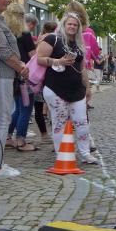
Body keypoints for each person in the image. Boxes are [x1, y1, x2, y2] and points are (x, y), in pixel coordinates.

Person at [35, 12, 96, 164]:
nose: (72, 27)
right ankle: (61, 154)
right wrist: (58, 61)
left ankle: (85, 153)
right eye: (69, 24)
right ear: (64, 24)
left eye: (75, 25)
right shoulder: (53, 39)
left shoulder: (79, 44)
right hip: (55, 88)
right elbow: (39, 59)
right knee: (59, 123)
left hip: (77, 90)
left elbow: (82, 68)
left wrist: (87, 88)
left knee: (82, 122)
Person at [0, 0, 28, 178]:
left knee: (2, 117)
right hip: (1, 75)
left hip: (5, 74)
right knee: (3, 119)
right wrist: (21, 67)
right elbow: (3, 51)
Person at [5, 4, 37, 152]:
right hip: (24, 74)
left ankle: (7, 137)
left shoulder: (5, 32)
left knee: (17, 108)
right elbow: (33, 56)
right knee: (25, 108)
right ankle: (21, 140)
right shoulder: (24, 33)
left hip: (10, 74)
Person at [64, 2, 99, 107]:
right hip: (81, 71)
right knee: (80, 104)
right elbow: (96, 52)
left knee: (63, 105)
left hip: (63, 71)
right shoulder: (89, 32)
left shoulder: (61, 30)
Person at [33, 21, 58, 139]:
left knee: (38, 106)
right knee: (55, 106)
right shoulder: (53, 38)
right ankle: (54, 132)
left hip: (37, 76)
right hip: (49, 75)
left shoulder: (40, 38)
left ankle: (44, 134)